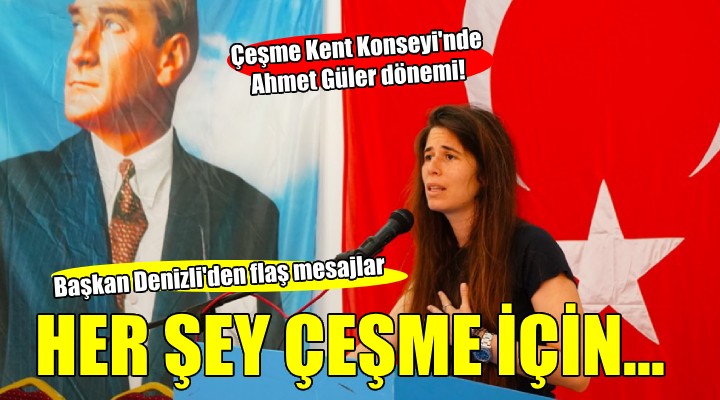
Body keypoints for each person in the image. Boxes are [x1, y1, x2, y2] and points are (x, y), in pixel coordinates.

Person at [0, 0, 284, 398]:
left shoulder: (246, 214)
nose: (80, 53)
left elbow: (258, 378)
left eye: (113, 25)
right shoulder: (10, 195)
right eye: (79, 25)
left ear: (171, 57)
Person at [354, 105, 589, 397]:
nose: (432, 168)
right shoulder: (438, 259)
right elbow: (374, 349)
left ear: (485, 175)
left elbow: (576, 369)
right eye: (428, 157)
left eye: (449, 156)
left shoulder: (531, 247)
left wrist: (479, 339)